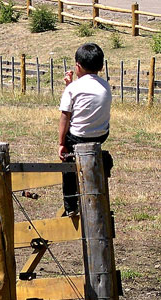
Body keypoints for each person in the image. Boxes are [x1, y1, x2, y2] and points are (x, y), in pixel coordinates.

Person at [58, 43, 112, 216]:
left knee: (68, 166)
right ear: (101, 66)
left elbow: (65, 116)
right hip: (101, 135)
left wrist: (61, 143)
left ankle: (71, 205)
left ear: (78, 66)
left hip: (78, 137)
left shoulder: (73, 88)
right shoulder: (105, 86)